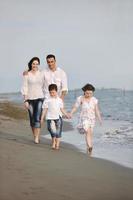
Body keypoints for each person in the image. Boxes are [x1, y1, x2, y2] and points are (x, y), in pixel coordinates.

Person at [70, 83, 102, 155]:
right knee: (88, 131)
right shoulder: (80, 98)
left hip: (92, 119)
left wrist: (99, 119)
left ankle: (88, 147)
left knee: (90, 133)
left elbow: (96, 110)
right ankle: (90, 146)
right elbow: (75, 107)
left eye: (91, 93)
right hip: (84, 118)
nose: (89, 95)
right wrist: (71, 113)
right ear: (84, 91)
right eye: (87, 93)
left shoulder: (94, 100)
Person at [21, 57, 44, 144]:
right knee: (32, 119)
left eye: (37, 64)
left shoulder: (41, 74)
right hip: (29, 99)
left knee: (37, 117)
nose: (35, 65)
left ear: (38, 65)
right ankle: (35, 135)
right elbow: (24, 87)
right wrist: (25, 100)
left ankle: (37, 137)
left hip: (40, 98)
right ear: (31, 64)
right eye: (33, 63)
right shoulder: (27, 74)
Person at [41, 84, 69, 150]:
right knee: (51, 129)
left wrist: (66, 114)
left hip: (58, 117)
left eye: (53, 92)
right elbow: (45, 109)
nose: (52, 94)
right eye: (50, 92)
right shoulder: (47, 100)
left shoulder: (59, 100)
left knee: (58, 131)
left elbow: (62, 109)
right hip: (50, 118)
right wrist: (42, 118)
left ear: (56, 91)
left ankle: (57, 145)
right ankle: (53, 140)